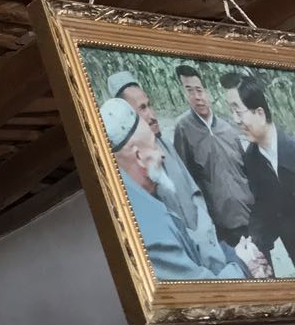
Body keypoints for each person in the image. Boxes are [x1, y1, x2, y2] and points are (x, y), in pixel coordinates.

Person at [101, 98, 266, 280]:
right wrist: (242, 266)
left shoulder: (140, 201)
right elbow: (197, 290)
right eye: (154, 146)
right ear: (139, 156)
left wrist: (232, 255)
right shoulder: (148, 229)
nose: (162, 154)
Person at [107, 70, 228, 273]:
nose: (151, 116)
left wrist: (207, 238)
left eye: (149, 105)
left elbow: (194, 192)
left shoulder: (166, 146)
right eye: (142, 109)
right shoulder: (134, 176)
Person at [171, 63, 252, 246]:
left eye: (199, 90)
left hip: (249, 217)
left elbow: (246, 171)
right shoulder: (183, 129)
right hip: (221, 227)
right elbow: (185, 182)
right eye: (189, 91)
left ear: (208, 92)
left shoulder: (227, 128)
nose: (197, 97)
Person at [223, 73, 295, 266]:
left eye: (238, 111)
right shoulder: (252, 159)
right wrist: (254, 245)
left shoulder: (292, 147)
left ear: (260, 113)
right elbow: (263, 208)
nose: (235, 119)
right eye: (231, 112)